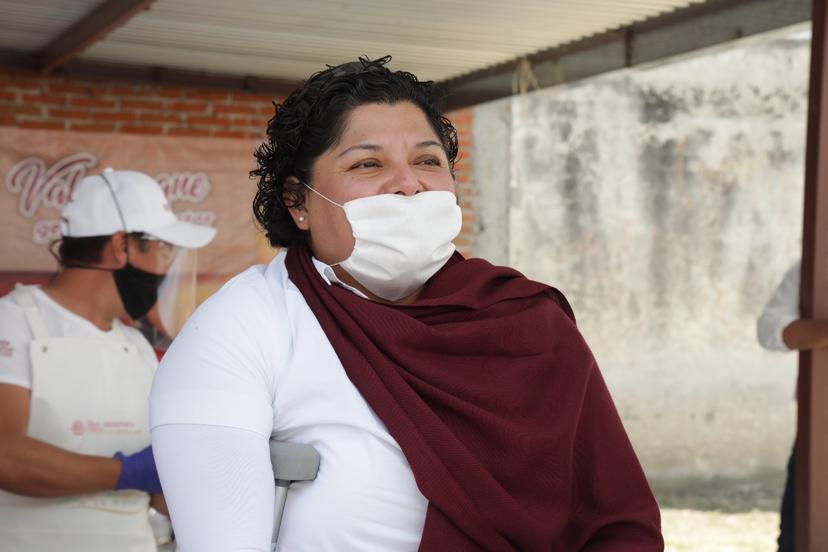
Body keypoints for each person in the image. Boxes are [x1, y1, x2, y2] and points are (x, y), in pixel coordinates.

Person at [149, 56, 663, 551]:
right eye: (368, 163)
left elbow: (617, 522)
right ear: (298, 200)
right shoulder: (245, 325)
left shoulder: (525, 322)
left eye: (427, 160)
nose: (409, 185)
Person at [0, 168, 216, 551]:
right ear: (122, 247)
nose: (167, 266)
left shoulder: (136, 347)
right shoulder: (13, 320)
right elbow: (7, 456)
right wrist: (127, 472)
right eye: (164, 249)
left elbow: (161, 497)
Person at [757, 259, 826, 552]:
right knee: (799, 538)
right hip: (821, 434)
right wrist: (822, 332)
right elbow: (769, 329)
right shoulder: (818, 267)